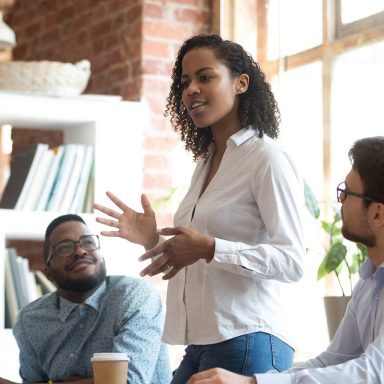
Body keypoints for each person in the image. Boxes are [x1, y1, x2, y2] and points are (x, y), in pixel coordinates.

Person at [94, 34, 305, 383]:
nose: (191, 89)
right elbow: (197, 260)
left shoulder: (266, 158)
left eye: (205, 77)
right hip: (201, 343)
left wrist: (209, 248)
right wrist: (151, 241)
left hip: (249, 338)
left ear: (240, 83)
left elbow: (292, 261)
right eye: (185, 82)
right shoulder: (206, 162)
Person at [186, 136, 384, 384]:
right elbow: (331, 361)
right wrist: (257, 381)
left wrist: (252, 383)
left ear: (377, 213)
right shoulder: (368, 284)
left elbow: (375, 372)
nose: (340, 200)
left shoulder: (268, 157)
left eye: (347, 192)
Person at [0, 214, 171, 384]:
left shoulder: (135, 295)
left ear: (102, 258)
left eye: (88, 242)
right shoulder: (30, 320)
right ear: (48, 273)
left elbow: (129, 382)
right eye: (64, 248)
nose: (80, 251)